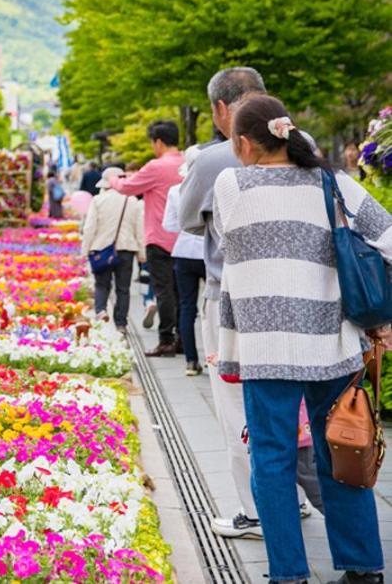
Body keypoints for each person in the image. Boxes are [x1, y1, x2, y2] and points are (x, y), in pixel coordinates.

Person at [214, 94, 391, 584]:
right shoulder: (334, 183)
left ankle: (288, 574)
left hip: (263, 348)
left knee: (271, 460)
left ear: (245, 143)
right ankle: (364, 567)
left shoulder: (231, 185)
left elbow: (228, 242)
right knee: (343, 448)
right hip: (331, 344)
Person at [177, 66, 276, 540]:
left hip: (230, 300)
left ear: (220, 109)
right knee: (286, 406)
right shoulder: (304, 147)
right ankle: (288, 499)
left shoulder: (215, 160)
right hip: (298, 300)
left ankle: (255, 510)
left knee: (236, 403)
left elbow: (189, 221)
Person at [111, 120, 184, 356]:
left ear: (159, 142)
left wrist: (114, 178)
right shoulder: (188, 164)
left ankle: (166, 339)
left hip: (159, 238)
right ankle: (185, 339)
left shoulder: (156, 166)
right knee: (184, 293)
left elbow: (126, 188)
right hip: (185, 238)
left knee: (164, 291)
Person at [79, 167, 144, 332]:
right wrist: (141, 253)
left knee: (102, 284)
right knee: (123, 288)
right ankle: (121, 323)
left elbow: (89, 228)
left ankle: (101, 310)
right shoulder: (132, 201)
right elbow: (139, 229)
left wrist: (85, 250)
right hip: (126, 249)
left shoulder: (98, 201)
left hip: (101, 249)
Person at [163, 146, 207, 375]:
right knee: (214, 306)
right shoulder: (212, 187)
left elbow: (168, 225)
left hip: (183, 251)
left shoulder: (174, 191)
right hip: (209, 253)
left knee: (186, 307)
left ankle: (191, 360)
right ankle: (217, 356)